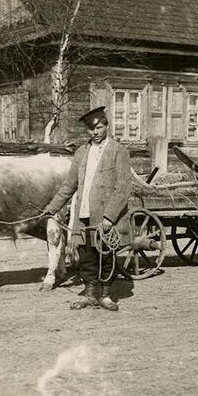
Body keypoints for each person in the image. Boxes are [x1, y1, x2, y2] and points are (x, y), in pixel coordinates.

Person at [42, 106, 132, 312]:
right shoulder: (81, 152)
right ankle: (91, 294)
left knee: (106, 255)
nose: (95, 132)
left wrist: (110, 217)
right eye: (91, 129)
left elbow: (123, 187)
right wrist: (52, 208)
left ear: (106, 126)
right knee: (86, 255)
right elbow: (69, 185)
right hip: (83, 214)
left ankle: (106, 295)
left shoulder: (119, 151)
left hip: (107, 216)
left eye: (99, 127)